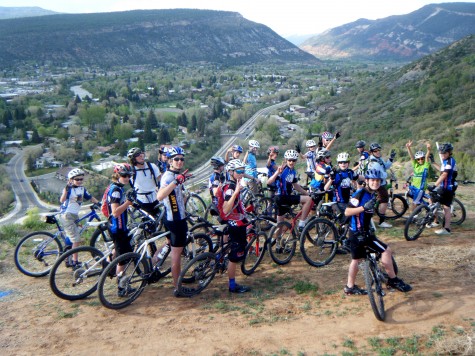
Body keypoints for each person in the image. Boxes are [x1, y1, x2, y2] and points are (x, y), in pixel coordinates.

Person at [344, 169, 412, 295]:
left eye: (377, 180)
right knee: (386, 251)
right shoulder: (360, 193)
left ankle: (350, 287)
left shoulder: (372, 194)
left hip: (357, 232)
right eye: (372, 180)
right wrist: (363, 208)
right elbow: (347, 212)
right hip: (360, 234)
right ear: (367, 181)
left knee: (356, 260)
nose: (375, 182)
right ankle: (393, 280)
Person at [156, 146, 192, 297]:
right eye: (176, 159)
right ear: (170, 161)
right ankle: (177, 288)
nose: (179, 162)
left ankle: (153, 266)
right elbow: (160, 196)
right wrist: (176, 182)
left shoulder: (175, 175)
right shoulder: (168, 177)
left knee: (171, 247)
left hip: (177, 217)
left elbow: (177, 198)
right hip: (175, 220)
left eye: (182, 159)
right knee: (176, 254)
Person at [218, 159, 252, 293]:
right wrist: (237, 192)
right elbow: (226, 208)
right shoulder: (231, 187)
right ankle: (232, 286)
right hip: (234, 223)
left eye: (243, 171)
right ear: (231, 172)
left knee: (232, 251)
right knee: (234, 256)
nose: (242, 173)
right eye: (239, 171)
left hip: (235, 220)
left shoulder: (233, 183)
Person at [106, 163, 136, 297]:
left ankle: (108, 267)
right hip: (117, 228)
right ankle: (121, 287)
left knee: (119, 251)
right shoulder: (117, 190)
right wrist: (128, 203)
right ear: (117, 175)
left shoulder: (116, 187)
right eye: (124, 175)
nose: (127, 178)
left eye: (129, 175)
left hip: (117, 227)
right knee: (123, 259)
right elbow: (115, 212)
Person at [59, 168, 99, 268]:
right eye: (77, 179)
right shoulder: (69, 189)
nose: (80, 181)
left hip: (75, 215)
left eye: (81, 179)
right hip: (67, 215)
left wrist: (99, 203)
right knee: (76, 239)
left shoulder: (82, 188)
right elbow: (62, 200)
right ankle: (74, 262)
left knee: (73, 236)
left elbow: (90, 197)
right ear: (71, 180)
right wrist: (65, 190)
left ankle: (67, 257)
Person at [267, 149, 313, 231]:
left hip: (281, 198)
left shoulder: (293, 171)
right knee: (308, 199)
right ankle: (302, 223)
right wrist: (277, 173)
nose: (291, 162)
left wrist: (306, 192)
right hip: (282, 197)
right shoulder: (282, 169)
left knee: (279, 226)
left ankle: (276, 241)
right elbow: (269, 182)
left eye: (294, 160)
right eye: (289, 160)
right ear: (286, 160)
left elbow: (295, 186)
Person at [428, 143, 458, 235]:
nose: (442, 155)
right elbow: (441, 169)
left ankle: (446, 228)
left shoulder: (450, 161)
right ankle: (436, 221)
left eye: (444, 153)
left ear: (449, 153)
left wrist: (435, 185)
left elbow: (444, 174)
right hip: (444, 187)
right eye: (441, 153)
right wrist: (433, 162)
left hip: (447, 188)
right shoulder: (446, 161)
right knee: (432, 199)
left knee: (445, 207)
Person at [367, 142, 395, 228]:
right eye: (375, 151)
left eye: (379, 150)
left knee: (377, 201)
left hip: (380, 183)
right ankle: (381, 222)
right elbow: (382, 175)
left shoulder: (379, 159)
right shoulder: (374, 163)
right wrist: (389, 175)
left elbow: (385, 166)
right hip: (378, 184)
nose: (378, 152)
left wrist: (391, 158)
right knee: (384, 201)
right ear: (372, 152)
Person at [127, 147, 161, 216]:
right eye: (137, 155)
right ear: (133, 159)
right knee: (150, 224)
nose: (141, 156)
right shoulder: (131, 171)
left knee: (163, 219)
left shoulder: (151, 166)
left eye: (141, 153)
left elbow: (161, 179)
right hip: (142, 200)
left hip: (155, 197)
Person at [405, 140, 431, 212]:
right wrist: (408, 148)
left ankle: (412, 217)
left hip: (420, 188)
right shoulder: (415, 165)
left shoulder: (425, 165)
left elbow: (427, 157)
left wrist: (429, 149)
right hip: (414, 187)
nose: (420, 160)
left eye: (422, 158)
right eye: (418, 159)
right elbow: (412, 157)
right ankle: (423, 208)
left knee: (414, 203)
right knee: (412, 197)